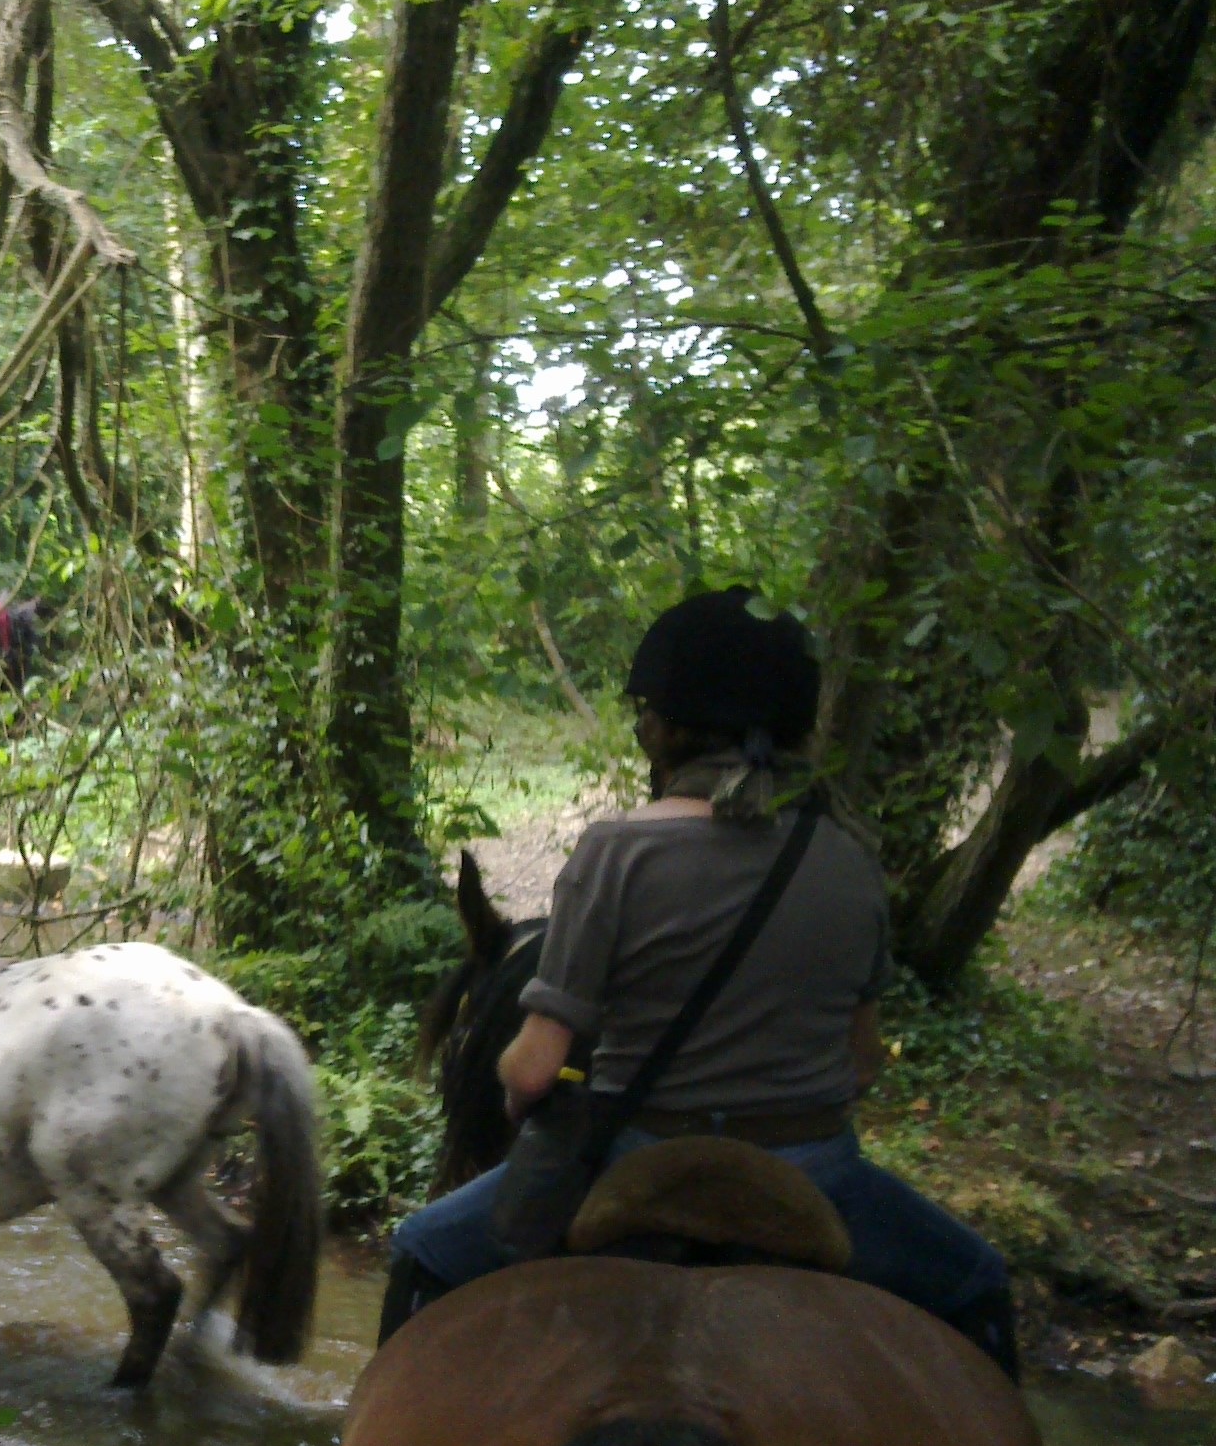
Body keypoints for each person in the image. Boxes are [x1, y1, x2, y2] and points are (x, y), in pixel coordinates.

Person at [380, 584, 1019, 1374]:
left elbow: (537, 1065)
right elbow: (860, 1065)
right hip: (811, 1172)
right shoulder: (851, 858)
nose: (642, 724)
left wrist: (518, 1087)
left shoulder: (614, 853)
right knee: (979, 1282)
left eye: (643, 711)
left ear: (668, 731)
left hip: (631, 1162)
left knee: (422, 1251)